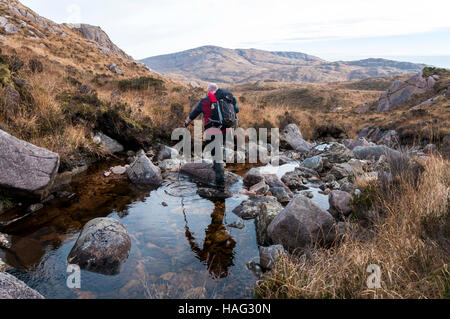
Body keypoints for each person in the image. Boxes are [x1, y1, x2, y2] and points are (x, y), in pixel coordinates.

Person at [184, 83, 239, 192]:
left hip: (212, 130)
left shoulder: (205, 101)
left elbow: (193, 114)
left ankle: (220, 185)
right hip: (225, 129)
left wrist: (186, 123)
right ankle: (220, 167)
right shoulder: (228, 98)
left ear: (209, 91)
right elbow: (236, 110)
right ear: (217, 90)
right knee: (221, 149)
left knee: (216, 155)